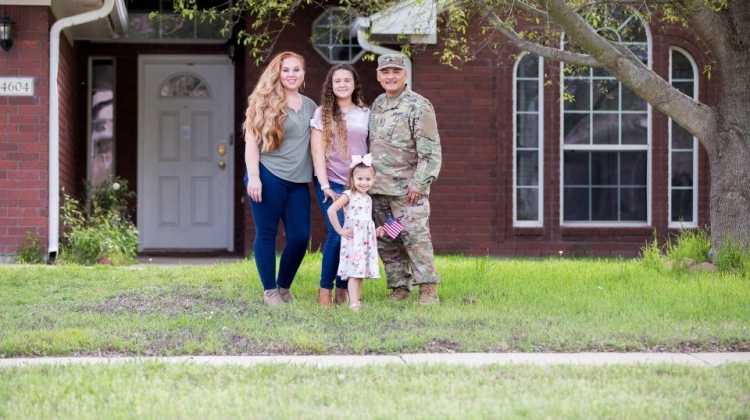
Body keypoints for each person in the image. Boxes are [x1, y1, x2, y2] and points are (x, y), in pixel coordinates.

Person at [243, 51, 317, 305]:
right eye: (286, 70)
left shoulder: (310, 106)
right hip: (268, 175)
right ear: (278, 73)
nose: (291, 75)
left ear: (303, 74)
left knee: (299, 236)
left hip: (298, 181)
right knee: (267, 233)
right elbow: (251, 142)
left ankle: (284, 286)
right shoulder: (263, 102)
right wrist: (254, 177)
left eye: (296, 70)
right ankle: (270, 291)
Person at [369, 53, 442, 305]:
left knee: (415, 237)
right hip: (379, 189)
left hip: (407, 191)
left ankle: (428, 289)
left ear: (405, 74)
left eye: (395, 71)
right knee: (389, 238)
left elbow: (430, 152)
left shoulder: (419, 106)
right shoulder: (378, 104)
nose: (390, 76)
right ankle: (399, 287)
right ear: (378, 76)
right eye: (385, 72)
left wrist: (419, 184)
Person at [310, 64, 370, 306]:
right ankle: (325, 289)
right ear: (331, 86)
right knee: (337, 234)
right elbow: (317, 152)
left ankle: (344, 288)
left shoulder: (366, 113)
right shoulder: (321, 113)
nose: (342, 84)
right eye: (338, 81)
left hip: (357, 186)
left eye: (347, 80)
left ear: (354, 83)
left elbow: (370, 148)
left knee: (352, 237)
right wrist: (324, 185)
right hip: (331, 183)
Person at [326, 155, 386, 311]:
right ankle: (353, 303)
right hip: (353, 240)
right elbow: (331, 210)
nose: (364, 183)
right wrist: (340, 230)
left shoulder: (368, 199)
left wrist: (376, 231)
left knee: (361, 272)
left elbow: (366, 223)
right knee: (354, 271)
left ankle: (357, 300)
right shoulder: (348, 195)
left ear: (373, 180)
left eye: (368, 179)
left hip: (365, 241)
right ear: (352, 179)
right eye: (360, 179)